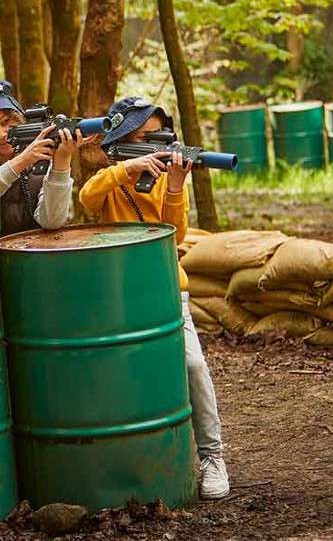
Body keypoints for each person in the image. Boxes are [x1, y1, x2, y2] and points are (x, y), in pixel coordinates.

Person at [77, 95, 231, 501]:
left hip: (166, 285)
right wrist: (127, 168)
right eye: (147, 137)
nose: (158, 144)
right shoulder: (111, 177)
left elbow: (174, 235)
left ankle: (213, 457)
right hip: (118, 294)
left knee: (194, 365)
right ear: (124, 141)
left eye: (162, 135)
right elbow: (87, 198)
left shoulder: (166, 176)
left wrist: (177, 186)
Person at [0, 79, 87, 236]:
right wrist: (22, 161)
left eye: (6, 122)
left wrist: (62, 160)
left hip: (25, 255)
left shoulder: (43, 153)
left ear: (18, 119)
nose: (1, 134)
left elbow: (52, 221)